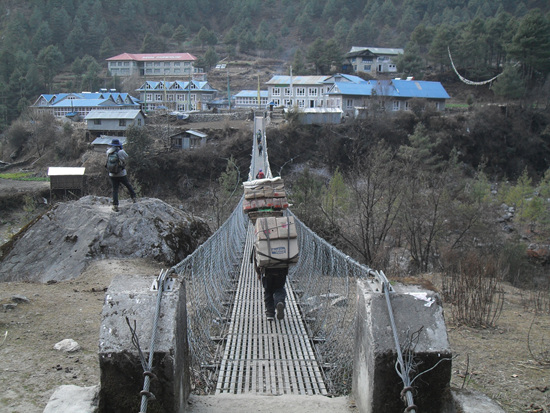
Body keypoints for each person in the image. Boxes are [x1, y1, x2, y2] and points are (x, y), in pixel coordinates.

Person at [251, 248, 287, 321]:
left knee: (268, 291)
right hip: (281, 269)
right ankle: (279, 301)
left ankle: (270, 313)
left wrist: (258, 272)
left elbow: (256, 258)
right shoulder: (283, 240)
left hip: (267, 271)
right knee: (279, 288)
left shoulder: (261, 241)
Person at [105, 138, 136, 212]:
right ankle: (134, 198)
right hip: (121, 173)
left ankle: (115, 205)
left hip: (112, 174)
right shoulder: (121, 152)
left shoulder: (108, 152)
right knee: (128, 185)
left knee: (115, 189)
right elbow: (127, 157)